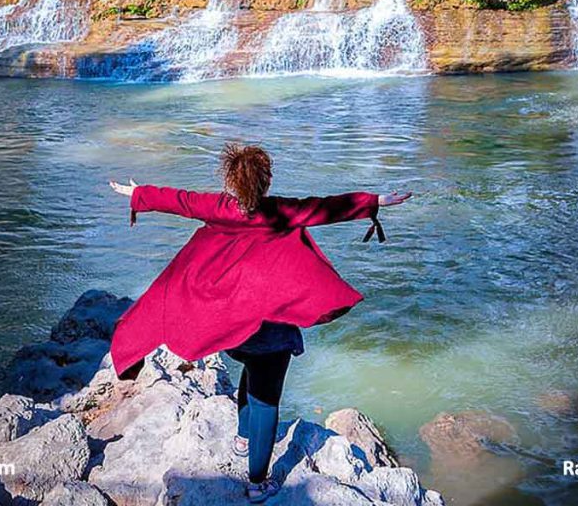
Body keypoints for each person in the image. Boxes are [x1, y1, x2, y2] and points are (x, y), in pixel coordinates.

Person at [108, 143, 411, 503]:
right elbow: (328, 206)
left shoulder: (218, 208)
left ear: (230, 182)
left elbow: (180, 200)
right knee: (266, 399)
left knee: (250, 372)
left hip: (232, 326)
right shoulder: (281, 211)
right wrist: (376, 200)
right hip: (271, 327)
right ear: (265, 182)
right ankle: (256, 483)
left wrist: (139, 193)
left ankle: (241, 438)